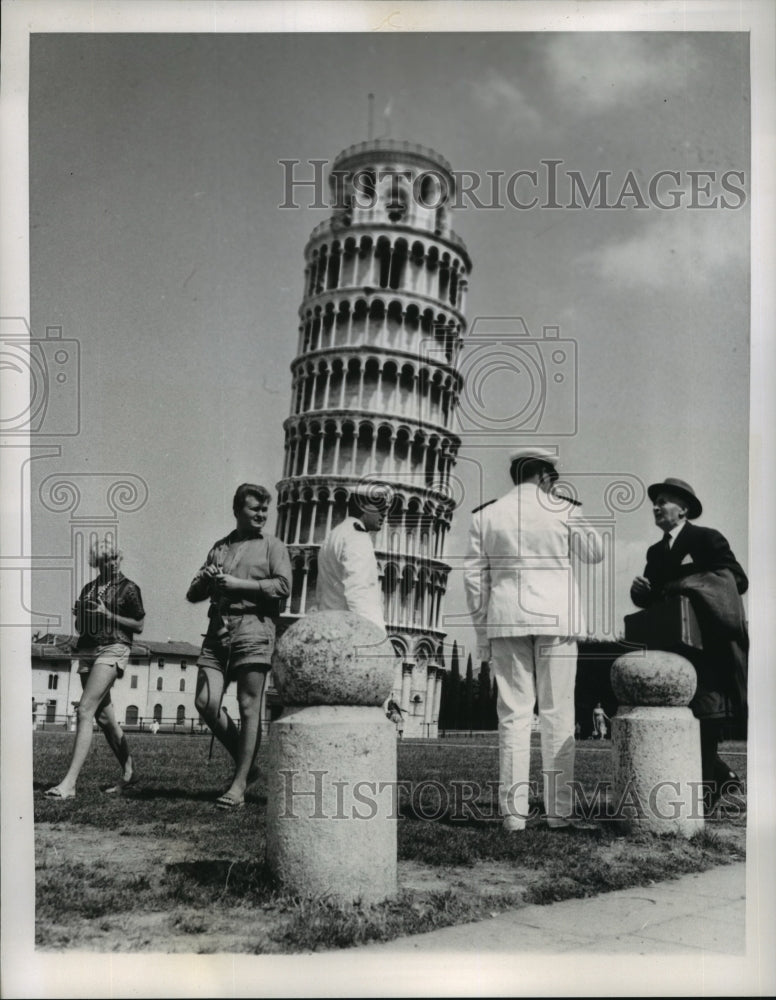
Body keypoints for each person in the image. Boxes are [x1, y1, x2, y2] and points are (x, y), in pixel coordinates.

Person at [463, 447, 604, 832]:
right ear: (545, 476)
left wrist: (482, 633)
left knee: (513, 716)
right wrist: (568, 509)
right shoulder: (564, 509)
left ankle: (513, 815)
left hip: (507, 620)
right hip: (556, 619)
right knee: (559, 714)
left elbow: (475, 582)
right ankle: (559, 813)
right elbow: (595, 552)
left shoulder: (486, 515)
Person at [630, 477, 748, 811]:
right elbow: (654, 597)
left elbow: (737, 579)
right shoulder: (655, 551)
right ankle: (721, 779)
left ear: (683, 509)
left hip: (707, 645)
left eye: (664, 501)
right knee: (677, 715)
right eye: (654, 502)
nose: (656, 507)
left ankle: (707, 792)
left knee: (706, 715)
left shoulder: (706, 538)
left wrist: (686, 583)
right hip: (670, 646)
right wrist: (640, 593)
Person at [187, 483, 292, 810]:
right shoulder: (219, 547)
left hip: (254, 628)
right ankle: (249, 766)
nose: (261, 514)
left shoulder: (273, 546)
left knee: (249, 708)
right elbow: (193, 594)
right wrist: (206, 579)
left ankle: (239, 784)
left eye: (265, 509)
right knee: (205, 702)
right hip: (217, 628)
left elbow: (284, 586)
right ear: (237, 510)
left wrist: (238, 585)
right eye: (254, 509)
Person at [44, 538, 145, 799]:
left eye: (115, 558)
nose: (111, 563)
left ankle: (69, 784)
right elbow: (80, 628)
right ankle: (130, 773)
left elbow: (138, 625)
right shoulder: (89, 588)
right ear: (97, 563)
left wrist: (108, 614)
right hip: (87, 649)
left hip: (114, 647)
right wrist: (81, 614)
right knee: (104, 717)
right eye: (105, 560)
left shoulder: (129, 588)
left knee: (85, 709)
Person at [315, 489, 388, 633]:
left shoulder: (335, 534)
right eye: (380, 507)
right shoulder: (357, 537)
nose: (384, 513)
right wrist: (373, 635)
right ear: (362, 506)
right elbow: (358, 591)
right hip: (351, 631)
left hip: (329, 626)